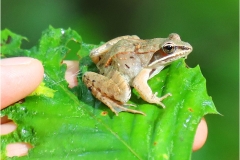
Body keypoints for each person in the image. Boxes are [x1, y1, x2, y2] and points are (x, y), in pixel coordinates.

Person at [0, 57, 208, 157]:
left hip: (115, 56)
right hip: (117, 68)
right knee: (125, 93)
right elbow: (139, 84)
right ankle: (113, 103)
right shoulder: (147, 65)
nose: (178, 51)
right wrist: (153, 98)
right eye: (169, 49)